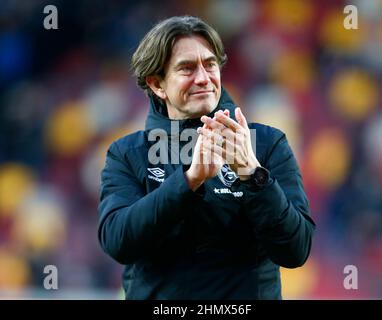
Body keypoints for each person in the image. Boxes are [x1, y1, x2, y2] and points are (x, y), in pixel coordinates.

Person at [98, 15, 316, 300]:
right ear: (157, 84)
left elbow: (296, 250)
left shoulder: (266, 144)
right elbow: (118, 242)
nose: (203, 77)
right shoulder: (127, 154)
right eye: (186, 68)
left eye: (210, 64)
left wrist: (254, 176)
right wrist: (189, 181)